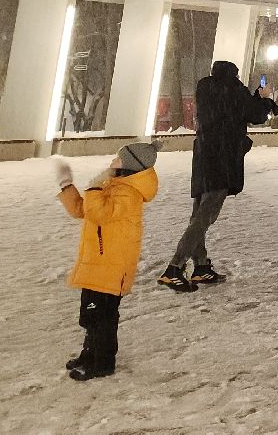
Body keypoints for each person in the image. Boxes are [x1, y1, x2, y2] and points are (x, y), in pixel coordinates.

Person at [159, 60, 278, 292]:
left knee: (199, 214)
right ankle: (174, 267)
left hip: (204, 156)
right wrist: (264, 98)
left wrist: (252, 97)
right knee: (205, 216)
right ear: (233, 74)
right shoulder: (234, 89)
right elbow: (255, 115)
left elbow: (233, 110)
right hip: (223, 160)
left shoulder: (205, 87)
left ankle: (201, 267)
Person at [53, 141, 159, 380]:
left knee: (104, 318)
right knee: (92, 314)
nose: (113, 161)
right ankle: (89, 354)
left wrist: (94, 188)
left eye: (118, 158)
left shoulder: (129, 193)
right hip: (97, 264)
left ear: (131, 165)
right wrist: (67, 186)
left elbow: (99, 214)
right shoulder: (114, 185)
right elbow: (83, 211)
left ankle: (103, 362)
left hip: (111, 267)